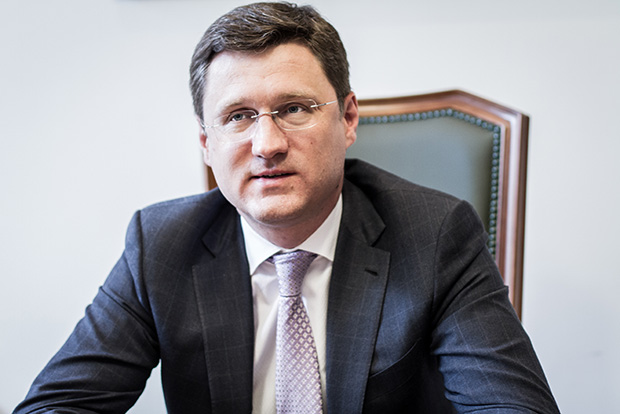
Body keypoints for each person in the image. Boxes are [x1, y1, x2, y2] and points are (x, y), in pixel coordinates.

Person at [15, 2, 560, 413]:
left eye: (294, 108)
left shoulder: (436, 235)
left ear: (348, 119)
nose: (267, 144)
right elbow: (57, 405)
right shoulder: (159, 245)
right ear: (206, 143)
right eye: (237, 117)